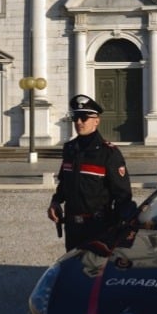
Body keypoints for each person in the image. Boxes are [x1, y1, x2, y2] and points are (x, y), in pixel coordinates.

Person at [47, 94, 133, 252]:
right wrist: (56, 201)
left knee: (96, 271)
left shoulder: (109, 153)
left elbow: (123, 195)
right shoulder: (70, 149)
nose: (79, 122)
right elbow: (65, 182)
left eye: (84, 118)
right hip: (72, 226)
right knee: (73, 269)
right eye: (75, 118)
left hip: (99, 226)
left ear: (96, 120)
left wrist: (121, 228)